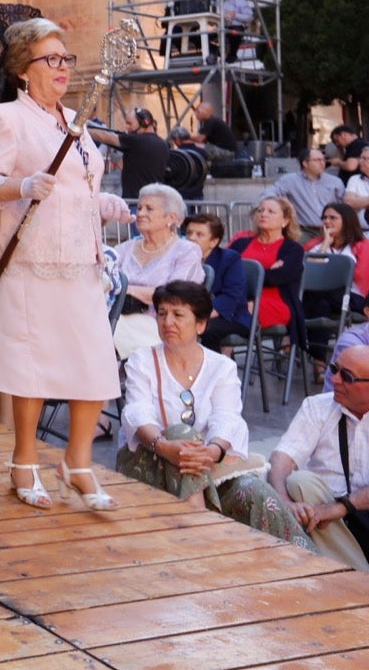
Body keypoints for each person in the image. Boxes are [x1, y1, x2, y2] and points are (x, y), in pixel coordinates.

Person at [0, 17, 134, 512]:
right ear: (22, 70)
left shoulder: (75, 123)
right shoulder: (4, 118)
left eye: (66, 59)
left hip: (81, 262)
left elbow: (80, 187)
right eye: (50, 59)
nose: (62, 68)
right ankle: (24, 462)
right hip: (28, 261)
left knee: (93, 363)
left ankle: (77, 463)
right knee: (30, 369)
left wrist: (106, 204)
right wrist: (20, 185)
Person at [117, 281, 312, 547]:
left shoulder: (222, 366)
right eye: (162, 314)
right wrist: (165, 447)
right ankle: (203, 542)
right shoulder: (142, 360)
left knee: (256, 493)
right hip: (149, 459)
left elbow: (228, 417)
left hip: (209, 465)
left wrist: (214, 451)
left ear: (201, 324)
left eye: (178, 314)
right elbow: (137, 412)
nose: (167, 322)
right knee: (181, 434)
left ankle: (309, 562)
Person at [269, 344, 369, 570]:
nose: (334, 380)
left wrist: (344, 505)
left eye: (347, 377)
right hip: (330, 523)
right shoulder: (318, 407)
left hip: (348, 512)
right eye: (334, 369)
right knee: (299, 482)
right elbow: (281, 457)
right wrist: (283, 500)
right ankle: (357, 576)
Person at [110, 184, 206, 359]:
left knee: (99, 332)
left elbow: (173, 295)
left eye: (149, 209)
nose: (140, 213)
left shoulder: (187, 251)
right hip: (117, 315)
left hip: (162, 322)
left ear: (171, 218)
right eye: (139, 208)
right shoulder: (123, 249)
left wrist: (124, 289)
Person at [229, 196, 307, 363]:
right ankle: (222, 363)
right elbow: (226, 271)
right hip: (239, 299)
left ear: (285, 221)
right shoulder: (240, 244)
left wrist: (250, 274)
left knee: (228, 314)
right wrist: (265, 273)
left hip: (276, 303)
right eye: (261, 210)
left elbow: (280, 277)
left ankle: (222, 363)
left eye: (271, 212)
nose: (264, 214)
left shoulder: (292, 249)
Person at [184, 212, 250, 352]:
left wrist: (195, 315)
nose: (191, 238)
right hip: (191, 312)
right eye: (189, 233)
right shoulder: (182, 258)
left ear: (214, 241)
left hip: (230, 316)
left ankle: (211, 372)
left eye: (199, 235)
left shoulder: (230, 259)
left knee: (205, 329)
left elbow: (231, 297)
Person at [305, 201, 369, 325]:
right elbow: (305, 273)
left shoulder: (363, 245)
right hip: (322, 296)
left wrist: (324, 272)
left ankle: (294, 334)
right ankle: (315, 345)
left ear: (346, 220)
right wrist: (324, 246)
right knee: (321, 306)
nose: (327, 221)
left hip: (354, 297)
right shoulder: (314, 245)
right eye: (324, 218)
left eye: (332, 218)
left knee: (314, 292)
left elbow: (360, 277)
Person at [89, 107, 170, 199]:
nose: (126, 127)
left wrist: (83, 131)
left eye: (129, 123)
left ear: (144, 122)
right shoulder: (163, 144)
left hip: (134, 201)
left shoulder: (136, 141)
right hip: (153, 200)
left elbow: (104, 137)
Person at [264, 148, 343, 239]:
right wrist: (283, 205)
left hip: (332, 229)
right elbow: (269, 194)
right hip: (305, 231)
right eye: (317, 160)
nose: (322, 163)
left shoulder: (335, 181)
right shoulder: (290, 180)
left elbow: (345, 205)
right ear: (305, 163)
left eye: (323, 159)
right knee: (295, 247)